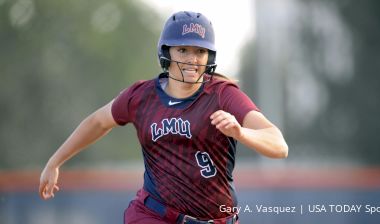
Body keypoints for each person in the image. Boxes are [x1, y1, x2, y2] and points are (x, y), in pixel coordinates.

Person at [39, 11, 288, 224]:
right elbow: (98, 122)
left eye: (200, 51)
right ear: (166, 53)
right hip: (153, 215)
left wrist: (240, 132)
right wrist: (55, 162)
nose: (192, 59)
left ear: (209, 57)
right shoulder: (141, 96)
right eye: (183, 49)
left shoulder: (223, 95)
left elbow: (279, 145)